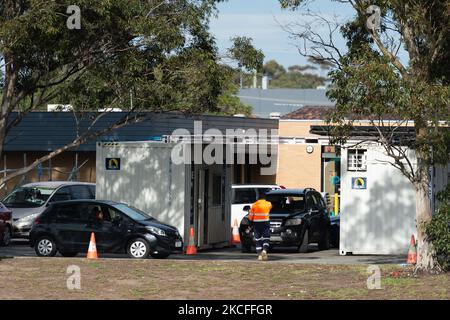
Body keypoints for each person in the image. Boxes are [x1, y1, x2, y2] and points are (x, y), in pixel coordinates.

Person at [248, 195, 272, 261]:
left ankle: (259, 255)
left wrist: (250, 224)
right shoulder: (268, 204)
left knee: (258, 239)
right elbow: (270, 207)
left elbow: (250, 217)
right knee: (266, 238)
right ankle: (264, 250)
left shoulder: (254, 205)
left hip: (256, 224)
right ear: (265, 199)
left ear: (257, 199)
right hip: (265, 223)